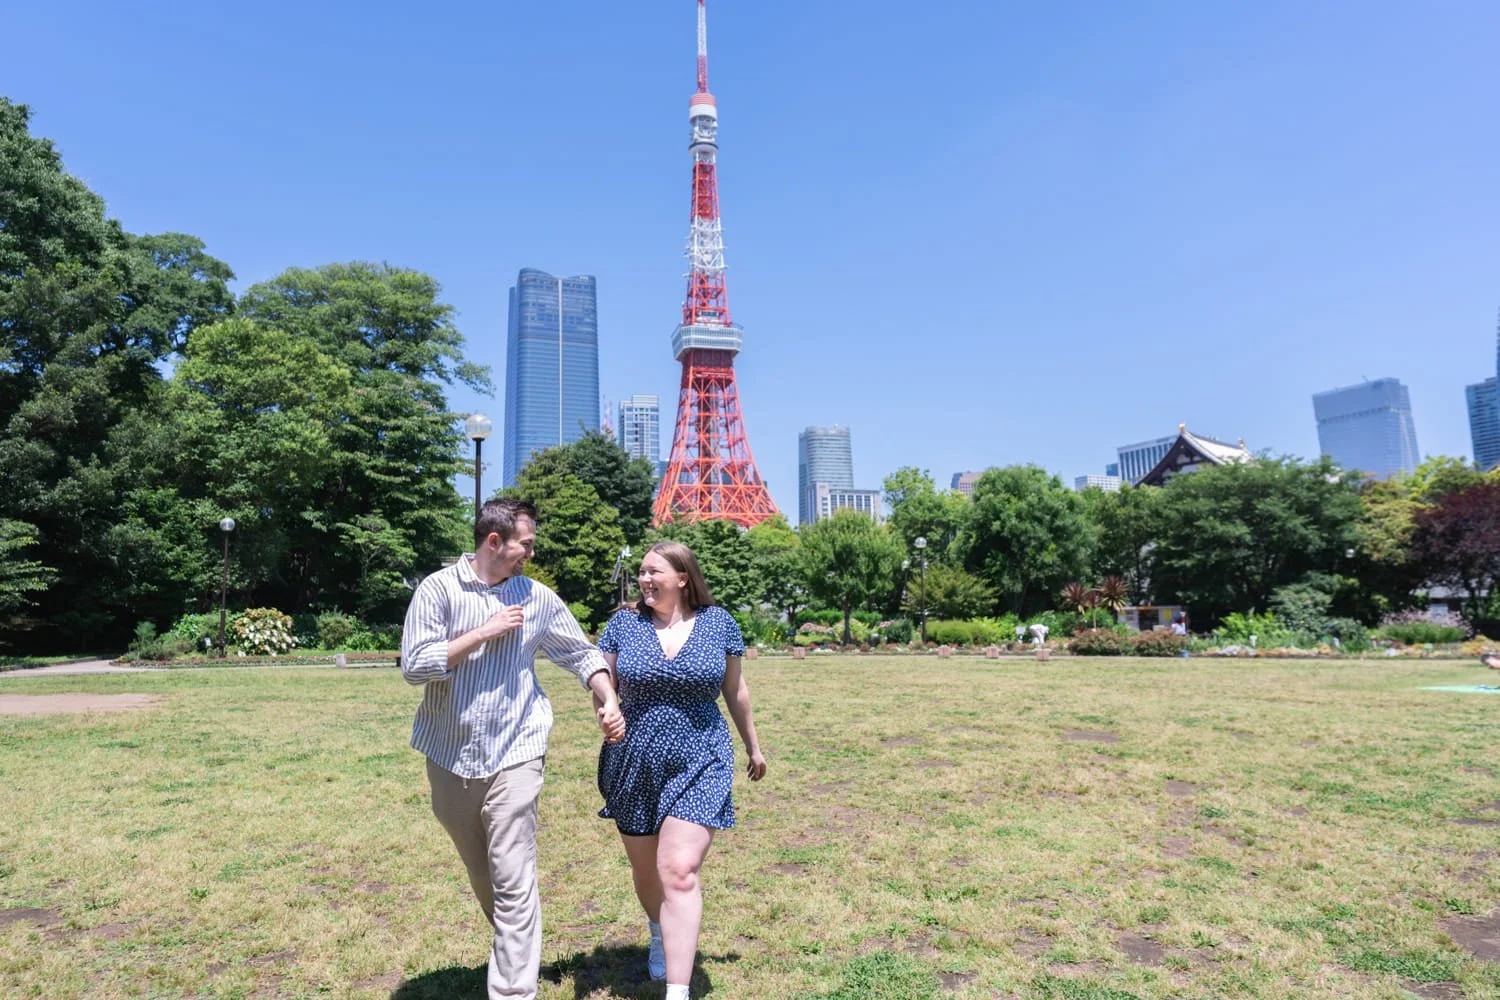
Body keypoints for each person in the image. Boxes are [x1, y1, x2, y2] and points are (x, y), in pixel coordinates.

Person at [401, 498, 625, 1000]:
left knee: (512, 872)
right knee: (485, 874)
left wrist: (606, 696)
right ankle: (514, 947)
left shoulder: (537, 597)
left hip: (518, 747)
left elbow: (580, 651)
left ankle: (512, 991)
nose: (530, 552)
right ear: (495, 541)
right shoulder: (437, 590)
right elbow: (415, 666)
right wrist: (483, 632)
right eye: (526, 543)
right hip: (448, 751)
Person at [593, 541, 766, 1000]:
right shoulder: (624, 623)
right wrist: (607, 707)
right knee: (647, 869)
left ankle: (677, 990)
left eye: (655, 572)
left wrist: (753, 746)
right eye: (642, 572)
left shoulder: (718, 623)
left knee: (679, 869)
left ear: (683, 578)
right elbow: (601, 678)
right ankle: (658, 930)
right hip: (634, 755)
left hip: (702, 754)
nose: (645, 579)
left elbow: (736, 690)